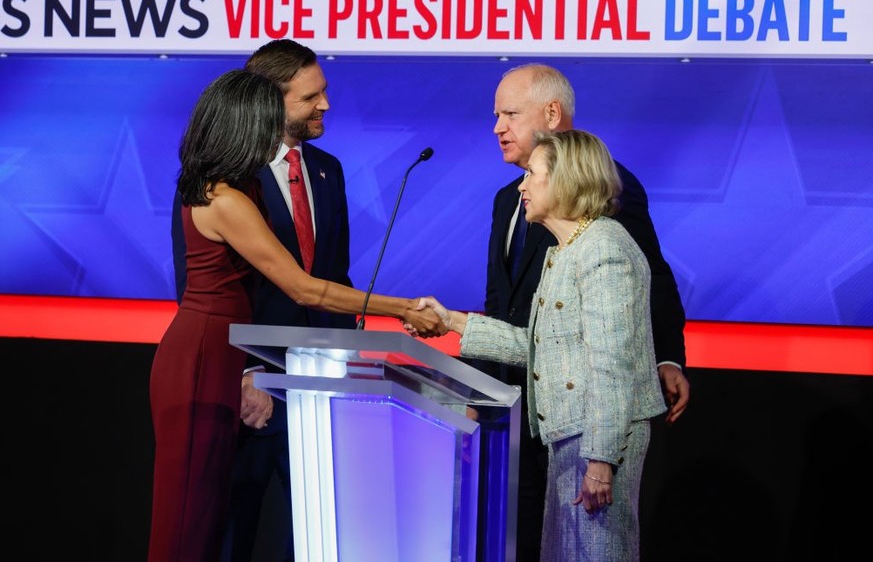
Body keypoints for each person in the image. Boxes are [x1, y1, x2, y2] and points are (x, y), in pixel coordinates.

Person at [149, 68, 444, 562]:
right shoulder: (225, 200)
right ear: (245, 126)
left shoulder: (225, 189)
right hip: (203, 359)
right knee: (187, 518)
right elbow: (305, 288)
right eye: (267, 124)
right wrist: (403, 308)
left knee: (202, 513)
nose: (274, 137)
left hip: (213, 350)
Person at [420, 128, 666, 562]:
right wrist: (451, 321)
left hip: (596, 439)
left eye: (532, 173)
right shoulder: (566, 250)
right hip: (571, 435)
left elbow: (613, 366)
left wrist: (601, 462)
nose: (521, 184)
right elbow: (538, 346)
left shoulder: (603, 249)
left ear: (564, 180)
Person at [485, 63, 690, 561]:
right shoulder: (505, 200)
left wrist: (665, 356)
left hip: (584, 414)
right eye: (496, 115)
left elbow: (646, 282)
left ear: (552, 113)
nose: (497, 128)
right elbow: (505, 305)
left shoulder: (607, 194)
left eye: (510, 113)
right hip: (519, 410)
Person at [171, 39, 355, 562]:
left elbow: (332, 276)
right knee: (230, 536)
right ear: (270, 101)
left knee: (327, 540)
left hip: (320, 390)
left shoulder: (328, 169)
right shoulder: (224, 179)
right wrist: (242, 377)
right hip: (251, 392)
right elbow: (197, 287)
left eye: (324, 92)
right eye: (310, 97)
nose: (325, 105)